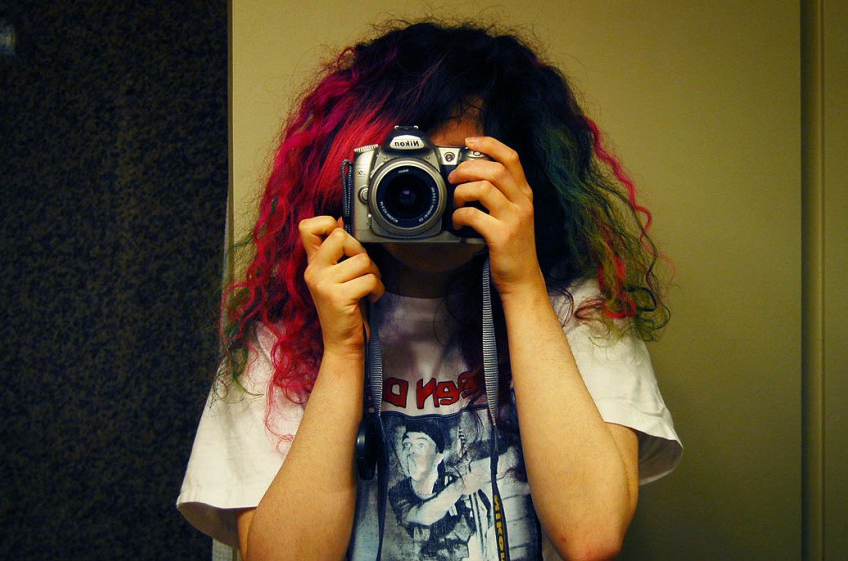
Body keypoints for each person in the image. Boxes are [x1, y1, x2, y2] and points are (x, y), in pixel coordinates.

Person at [177, 20, 682, 561]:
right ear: (349, 175)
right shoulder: (285, 336)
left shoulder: (577, 313)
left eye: (454, 172)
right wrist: (343, 352)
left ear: (520, 176)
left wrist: (522, 283)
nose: (426, 195)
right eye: (405, 172)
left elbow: (591, 535)